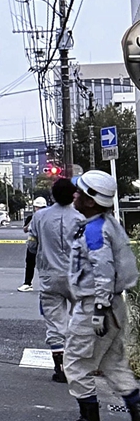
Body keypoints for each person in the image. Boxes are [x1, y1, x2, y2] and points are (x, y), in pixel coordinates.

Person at [65, 170, 140, 421]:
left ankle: (89, 417)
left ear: (90, 201)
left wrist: (99, 308)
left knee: (76, 364)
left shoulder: (95, 230)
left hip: (96, 306)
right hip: (112, 305)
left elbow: (103, 269)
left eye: (79, 192)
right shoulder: (107, 225)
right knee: (113, 364)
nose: (74, 195)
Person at [27, 181, 79, 382]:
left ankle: (60, 367)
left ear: (52, 196)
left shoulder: (40, 216)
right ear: (74, 195)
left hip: (50, 275)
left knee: (55, 322)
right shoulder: (81, 217)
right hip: (78, 276)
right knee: (81, 319)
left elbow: (32, 246)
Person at [18, 196, 49, 292]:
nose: (38, 209)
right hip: (32, 244)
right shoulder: (31, 217)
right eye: (37, 207)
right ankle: (27, 283)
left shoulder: (48, 218)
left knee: (45, 264)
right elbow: (25, 229)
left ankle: (46, 285)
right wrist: (32, 221)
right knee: (30, 263)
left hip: (45, 244)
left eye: (41, 208)